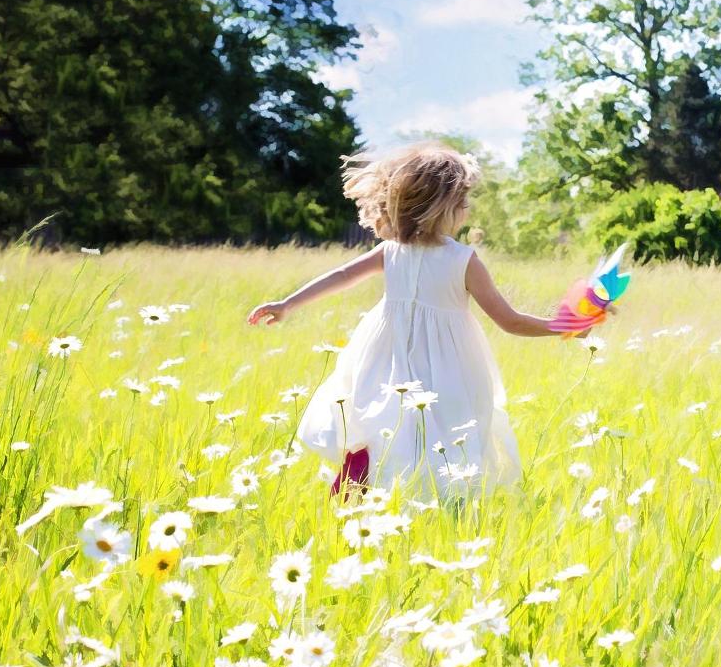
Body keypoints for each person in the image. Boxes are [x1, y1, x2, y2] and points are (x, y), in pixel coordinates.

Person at [246, 140, 587, 502]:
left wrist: (288, 304)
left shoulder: (392, 250)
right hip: (444, 365)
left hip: (385, 355)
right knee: (444, 435)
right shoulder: (463, 260)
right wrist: (563, 325)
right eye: (463, 200)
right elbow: (509, 320)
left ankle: (360, 495)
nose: (468, 208)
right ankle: (431, 502)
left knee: (382, 422)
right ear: (442, 206)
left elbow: (342, 276)